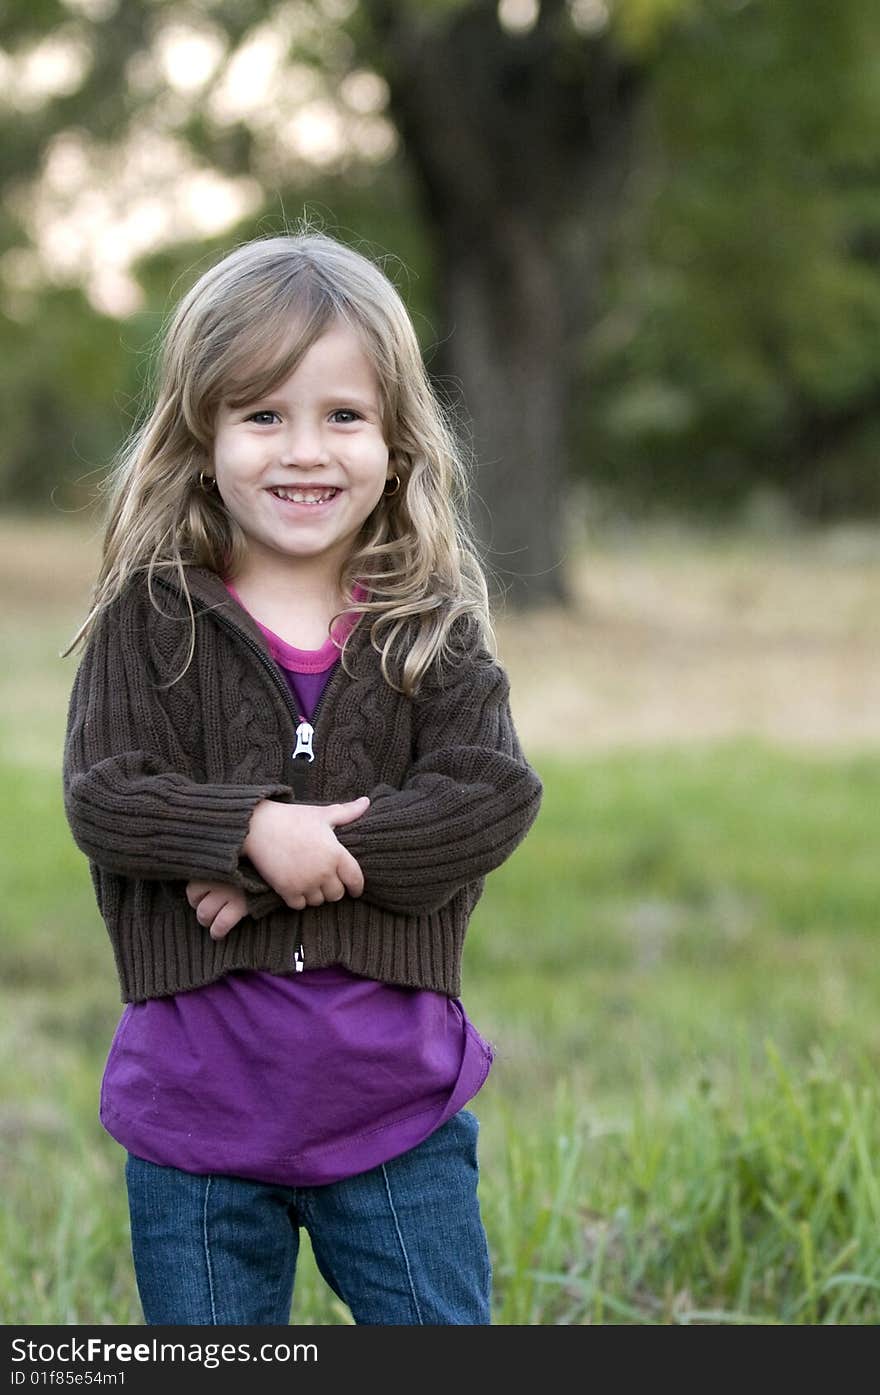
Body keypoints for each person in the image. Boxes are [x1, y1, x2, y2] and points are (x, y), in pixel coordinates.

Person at [62, 230, 543, 1327]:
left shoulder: (429, 627)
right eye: (263, 415)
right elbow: (104, 792)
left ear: (395, 440)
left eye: (343, 416)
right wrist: (249, 825)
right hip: (195, 1120)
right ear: (205, 434)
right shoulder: (154, 619)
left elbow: (489, 796)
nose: (304, 450)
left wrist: (285, 864)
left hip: (395, 1111)